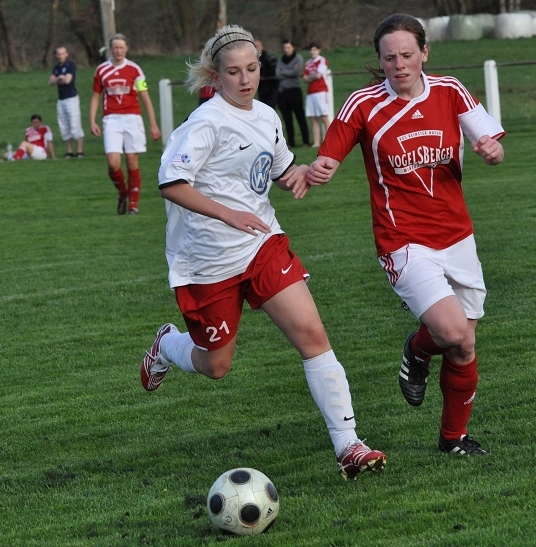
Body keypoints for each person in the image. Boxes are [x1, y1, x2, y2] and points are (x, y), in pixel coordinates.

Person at [141, 24, 386, 481]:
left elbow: (278, 172)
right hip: (209, 260)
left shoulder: (267, 116)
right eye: (234, 72)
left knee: (312, 334)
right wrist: (227, 214)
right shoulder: (205, 123)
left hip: (262, 245)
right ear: (216, 76)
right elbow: (171, 183)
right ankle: (167, 345)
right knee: (216, 365)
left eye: (251, 68)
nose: (245, 79)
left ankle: (348, 445)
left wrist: (304, 174)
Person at [308, 13, 505, 457]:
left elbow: (493, 145)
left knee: (464, 345)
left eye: (407, 55)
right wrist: (319, 170)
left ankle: (453, 439)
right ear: (379, 60)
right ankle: (418, 348)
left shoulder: (450, 91)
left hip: (458, 235)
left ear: (424, 53)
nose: (399, 65)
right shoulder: (362, 104)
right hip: (404, 241)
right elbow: (329, 157)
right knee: (451, 330)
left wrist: (492, 151)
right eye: (389, 57)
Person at [89, 33, 161, 215]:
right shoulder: (101, 70)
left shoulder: (135, 70)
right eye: (115, 47)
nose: (118, 51)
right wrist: (92, 120)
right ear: (110, 49)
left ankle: (133, 205)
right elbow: (96, 96)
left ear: (126, 49)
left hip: (132, 118)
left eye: (121, 47)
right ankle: (123, 192)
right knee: (113, 163)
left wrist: (153, 124)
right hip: (111, 119)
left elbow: (145, 96)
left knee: (131, 161)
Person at [47, 45, 85, 157]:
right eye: (59, 54)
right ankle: (69, 151)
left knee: (75, 124)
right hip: (61, 99)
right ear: (56, 55)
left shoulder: (70, 65)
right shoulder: (56, 67)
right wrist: (59, 78)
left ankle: (80, 151)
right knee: (64, 125)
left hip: (71, 98)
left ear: (66, 54)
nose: (61, 56)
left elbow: (67, 80)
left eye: (63, 54)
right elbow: (50, 82)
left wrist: (57, 79)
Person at [275, 39, 310, 148]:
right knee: (287, 119)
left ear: (293, 48)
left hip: (294, 90)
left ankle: (306, 141)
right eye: (285, 48)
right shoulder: (280, 60)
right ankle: (291, 142)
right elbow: (277, 74)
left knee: (300, 116)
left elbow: (296, 72)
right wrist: (289, 71)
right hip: (283, 92)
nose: (286, 50)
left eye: (288, 47)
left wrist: (283, 71)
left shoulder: (298, 58)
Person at [303, 43, 331, 148]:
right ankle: (316, 142)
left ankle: (328, 139)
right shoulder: (308, 63)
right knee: (313, 118)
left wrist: (310, 77)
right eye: (311, 50)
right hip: (310, 92)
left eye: (314, 50)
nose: (312, 52)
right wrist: (312, 77)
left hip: (320, 91)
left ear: (319, 50)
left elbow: (319, 75)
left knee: (323, 117)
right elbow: (305, 77)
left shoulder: (322, 60)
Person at [254, 39, 278, 108]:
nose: (255, 48)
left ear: (262, 46)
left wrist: (263, 75)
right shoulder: (254, 58)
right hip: (261, 87)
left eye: (257, 46)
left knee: (270, 106)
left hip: (272, 86)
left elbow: (275, 70)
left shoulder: (269, 57)